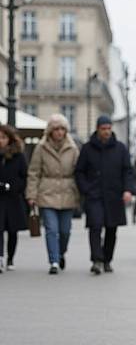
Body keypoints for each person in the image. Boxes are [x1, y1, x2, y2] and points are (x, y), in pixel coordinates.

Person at [75, 116, 134, 275]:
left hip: (114, 195)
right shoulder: (87, 149)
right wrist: (85, 189)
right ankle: (97, 260)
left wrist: (127, 190)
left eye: (109, 128)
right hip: (94, 195)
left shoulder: (120, 148)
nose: (107, 131)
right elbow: (79, 171)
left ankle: (107, 259)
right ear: (98, 129)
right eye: (103, 128)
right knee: (95, 226)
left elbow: (128, 171)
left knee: (111, 229)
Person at [26, 114, 80, 274]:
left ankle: (61, 253)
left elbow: (79, 171)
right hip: (47, 192)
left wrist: (80, 193)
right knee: (51, 229)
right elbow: (34, 172)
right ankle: (54, 261)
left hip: (67, 192)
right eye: (56, 129)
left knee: (65, 231)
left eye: (62, 129)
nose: (59, 132)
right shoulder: (41, 148)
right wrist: (31, 194)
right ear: (50, 130)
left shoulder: (73, 147)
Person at [0, 124, 27, 272]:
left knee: (12, 230)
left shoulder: (18, 156)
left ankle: (10, 257)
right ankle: (0, 257)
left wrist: (11, 187)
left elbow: (23, 177)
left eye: (3, 137)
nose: (0, 141)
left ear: (9, 139)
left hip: (13, 198)